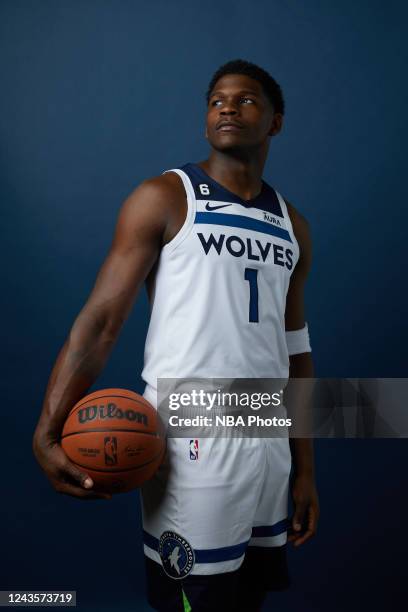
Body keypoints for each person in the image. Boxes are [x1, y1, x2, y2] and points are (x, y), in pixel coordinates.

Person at [33, 59, 320, 611]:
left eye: (246, 100)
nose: (228, 108)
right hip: (191, 437)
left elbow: (296, 350)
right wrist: (48, 428)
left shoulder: (292, 224)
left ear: (276, 123)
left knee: (248, 596)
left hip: (268, 437)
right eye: (216, 100)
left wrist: (305, 470)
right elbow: (100, 321)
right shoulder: (166, 197)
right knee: (195, 600)